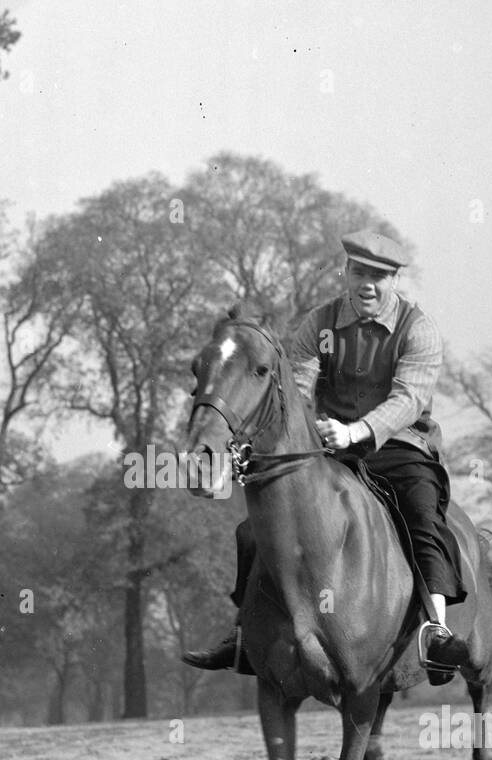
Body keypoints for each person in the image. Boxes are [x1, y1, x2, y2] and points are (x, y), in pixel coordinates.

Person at [182, 228, 468, 681]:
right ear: (347, 273)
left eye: (378, 275)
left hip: (399, 446)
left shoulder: (418, 330)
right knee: (256, 527)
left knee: (421, 514)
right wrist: (293, 433)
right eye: (359, 272)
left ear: (394, 280)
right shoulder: (320, 323)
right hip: (328, 446)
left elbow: (408, 400)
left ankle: (434, 629)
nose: (367, 283)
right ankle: (246, 632)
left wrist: (357, 430)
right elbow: (294, 387)